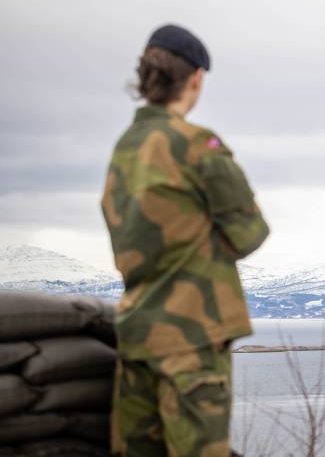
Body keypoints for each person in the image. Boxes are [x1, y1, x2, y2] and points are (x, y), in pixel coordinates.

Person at [100, 24, 269, 457]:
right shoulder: (197, 146)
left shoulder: (125, 148)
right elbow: (250, 233)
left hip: (138, 337)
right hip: (191, 340)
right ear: (195, 78)